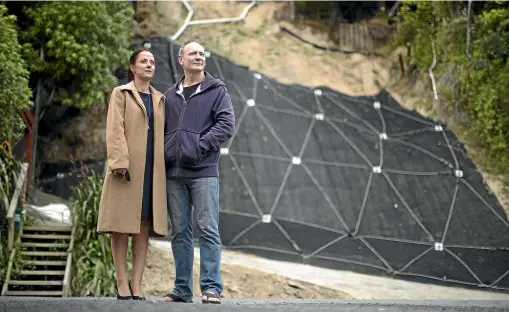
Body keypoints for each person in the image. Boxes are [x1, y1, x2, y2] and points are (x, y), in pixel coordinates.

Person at [162, 40, 235, 304]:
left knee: (208, 228)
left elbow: (226, 124)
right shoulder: (170, 95)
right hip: (174, 173)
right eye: (193, 53)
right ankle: (182, 289)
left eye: (202, 53)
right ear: (181, 59)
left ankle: (212, 287)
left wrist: (198, 146)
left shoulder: (217, 91)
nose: (199, 56)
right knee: (180, 232)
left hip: (204, 171)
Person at [97, 48, 168, 300]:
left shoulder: (160, 99)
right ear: (132, 67)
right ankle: (121, 282)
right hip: (125, 169)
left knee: (143, 225)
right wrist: (118, 161)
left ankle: (136, 284)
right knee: (120, 225)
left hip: (152, 170)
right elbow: (114, 128)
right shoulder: (121, 93)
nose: (149, 65)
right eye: (143, 61)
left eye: (152, 62)